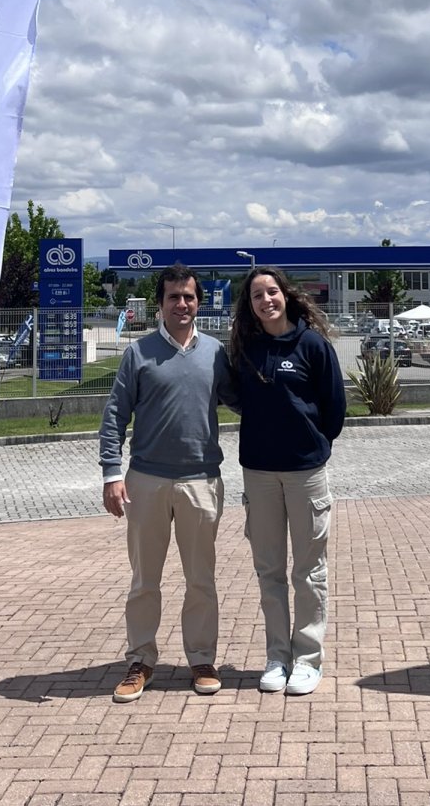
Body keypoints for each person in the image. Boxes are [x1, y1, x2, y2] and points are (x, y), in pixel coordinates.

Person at [100, 262, 236, 703]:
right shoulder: (138, 354)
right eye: (174, 297)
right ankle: (141, 660)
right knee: (144, 580)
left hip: (201, 481)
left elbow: (246, 401)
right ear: (160, 304)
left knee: (202, 580)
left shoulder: (216, 352)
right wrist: (111, 474)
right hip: (147, 482)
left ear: (199, 302)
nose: (182, 304)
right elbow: (114, 417)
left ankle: (201, 658)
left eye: (189, 297)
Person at [229, 266, 346, 695]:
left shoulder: (313, 345)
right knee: (269, 571)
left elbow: (334, 409)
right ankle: (278, 657)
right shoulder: (245, 348)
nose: (266, 300)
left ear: (286, 295)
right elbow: (239, 399)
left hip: (305, 474)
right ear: (250, 305)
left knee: (309, 570)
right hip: (258, 473)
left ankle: (309, 659)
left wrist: (310, 442)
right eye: (257, 295)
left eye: (272, 291)